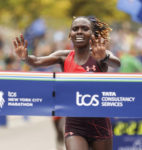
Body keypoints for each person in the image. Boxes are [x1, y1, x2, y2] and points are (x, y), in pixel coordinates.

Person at [13, 16, 120, 150]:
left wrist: (105, 57)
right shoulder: (63, 56)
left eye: (85, 29)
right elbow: (38, 61)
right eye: (75, 29)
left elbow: (116, 63)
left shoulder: (100, 54)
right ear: (70, 34)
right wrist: (26, 57)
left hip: (100, 123)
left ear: (92, 34)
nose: (79, 32)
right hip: (75, 124)